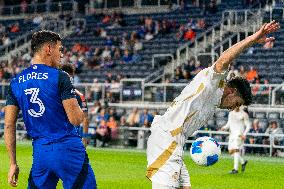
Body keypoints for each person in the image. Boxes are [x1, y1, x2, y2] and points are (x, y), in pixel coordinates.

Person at [146, 20, 279, 189]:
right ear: (232, 91)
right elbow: (225, 59)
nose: (233, 108)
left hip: (175, 141)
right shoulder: (213, 83)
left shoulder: (215, 99)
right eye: (236, 103)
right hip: (167, 138)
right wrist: (253, 39)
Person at [4, 30, 96, 188]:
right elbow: (76, 119)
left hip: (41, 153)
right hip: (68, 149)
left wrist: (13, 163)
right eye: (60, 49)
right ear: (48, 49)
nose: (62, 55)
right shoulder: (61, 76)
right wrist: (83, 106)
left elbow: (8, 125)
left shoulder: (16, 82)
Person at [60, 63, 90, 147]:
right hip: (73, 139)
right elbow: (85, 119)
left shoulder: (52, 94)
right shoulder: (80, 95)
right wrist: (85, 137)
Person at [221, 106, 250, 174]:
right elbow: (229, 124)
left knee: (236, 150)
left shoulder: (244, 114)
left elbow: (248, 125)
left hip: (239, 135)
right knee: (231, 151)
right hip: (232, 135)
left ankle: (235, 169)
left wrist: (244, 134)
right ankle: (243, 162)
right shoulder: (231, 113)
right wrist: (224, 127)